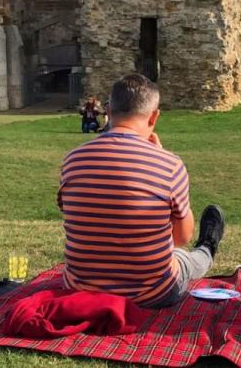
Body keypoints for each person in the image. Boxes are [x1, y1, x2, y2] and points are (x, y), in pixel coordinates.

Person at [57, 73, 225, 308]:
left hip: (81, 288)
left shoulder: (73, 160)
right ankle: (208, 247)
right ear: (154, 116)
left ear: (108, 110)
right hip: (152, 293)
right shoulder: (169, 165)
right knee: (186, 258)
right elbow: (180, 238)